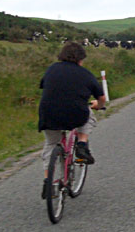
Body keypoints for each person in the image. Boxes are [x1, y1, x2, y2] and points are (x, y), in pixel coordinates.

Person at [38, 41, 106, 199]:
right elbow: (101, 97)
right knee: (88, 114)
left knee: (51, 145)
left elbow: (44, 85)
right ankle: (82, 144)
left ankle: (49, 181)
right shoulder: (85, 73)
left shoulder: (52, 69)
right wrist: (98, 105)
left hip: (48, 114)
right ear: (81, 59)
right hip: (75, 114)